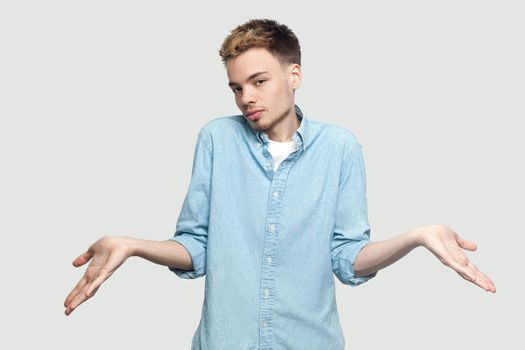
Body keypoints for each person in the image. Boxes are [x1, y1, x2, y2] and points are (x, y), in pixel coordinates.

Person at [64, 18, 496, 349]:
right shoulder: (216, 138)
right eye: (236, 87)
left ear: (294, 76)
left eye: (258, 81)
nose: (245, 97)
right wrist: (133, 245)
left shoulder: (341, 147)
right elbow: (196, 246)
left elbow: (348, 259)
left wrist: (417, 237)